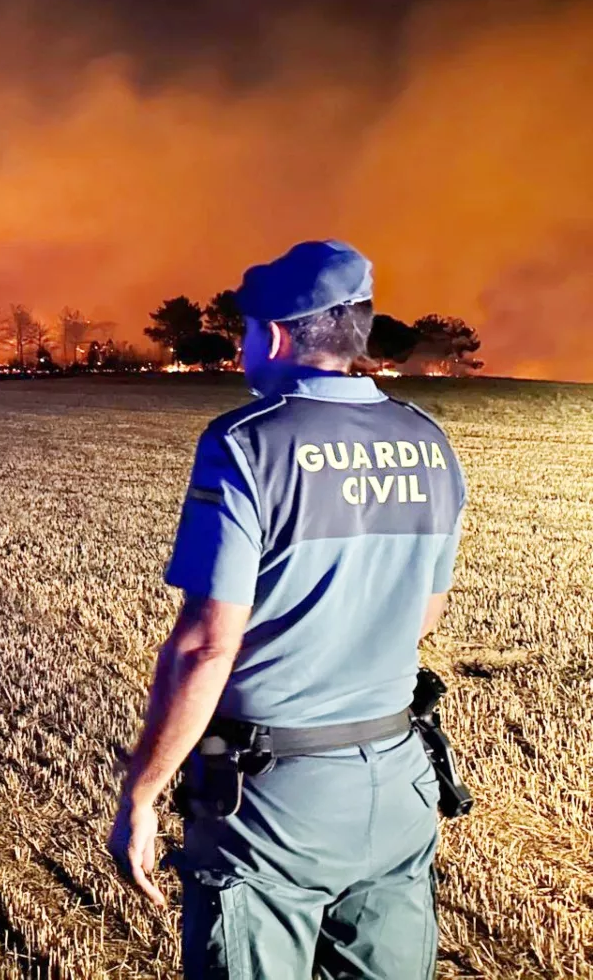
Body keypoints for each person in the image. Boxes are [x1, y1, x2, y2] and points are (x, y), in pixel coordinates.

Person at [107, 240, 467, 978]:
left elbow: (208, 645)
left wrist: (144, 791)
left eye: (245, 333)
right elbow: (425, 616)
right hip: (400, 784)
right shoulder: (428, 441)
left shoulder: (246, 446)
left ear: (272, 335)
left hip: (276, 805)